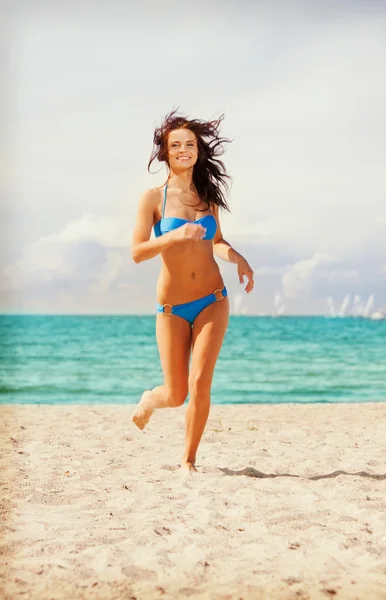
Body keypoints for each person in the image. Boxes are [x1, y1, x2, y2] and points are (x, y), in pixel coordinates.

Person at [130, 110, 254, 473]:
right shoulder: (153, 198)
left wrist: (238, 258)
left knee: (200, 381)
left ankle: (188, 461)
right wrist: (173, 235)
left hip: (212, 300)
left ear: (198, 151)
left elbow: (215, 241)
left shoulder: (208, 196)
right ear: (165, 152)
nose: (184, 150)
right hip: (171, 309)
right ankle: (149, 401)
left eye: (190, 145)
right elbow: (138, 252)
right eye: (176, 145)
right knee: (176, 393)